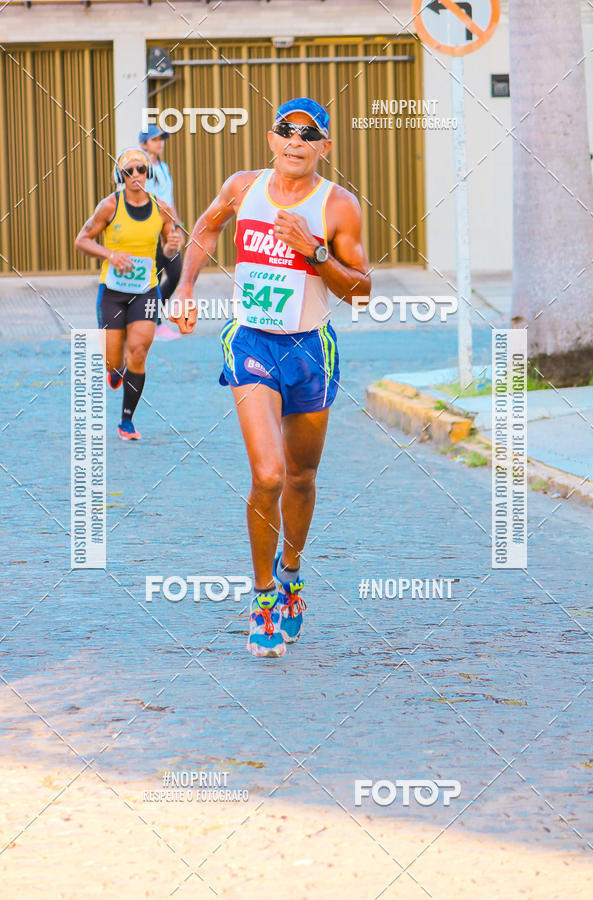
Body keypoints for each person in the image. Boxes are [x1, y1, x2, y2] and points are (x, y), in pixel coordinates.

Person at [171, 98, 371, 658]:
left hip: (311, 349)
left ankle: (291, 577)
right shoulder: (242, 187)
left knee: (301, 479)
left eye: (309, 135)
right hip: (251, 343)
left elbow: (361, 290)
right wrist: (184, 288)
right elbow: (206, 230)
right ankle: (262, 601)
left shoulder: (339, 206)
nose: (296, 141)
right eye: (287, 131)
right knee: (269, 474)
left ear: (324, 148)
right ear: (270, 138)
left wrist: (314, 253)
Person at [75, 147, 179, 440]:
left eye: (141, 169)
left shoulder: (162, 209)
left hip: (146, 291)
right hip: (112, 291)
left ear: (149, 173)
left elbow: (170, 248)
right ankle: (115, 369)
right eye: (129, 171)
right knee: (112, 360)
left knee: (138, 352)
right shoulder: (109, 206)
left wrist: (172, 245)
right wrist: (110, 254)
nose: (136, 175)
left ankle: (127, 420)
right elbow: (82, 239)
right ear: (120, 176)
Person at [139, 124, 185, 340]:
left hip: (167, 228)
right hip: (150, 228)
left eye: (161, 139)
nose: (160, 143)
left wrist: (177, 226)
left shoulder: (164, 167)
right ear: (144, 144)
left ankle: (152, 318)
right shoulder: (141, 169)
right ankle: (154, 324)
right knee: (153, 277)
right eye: (155, 139)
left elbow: (170, 199)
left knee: (175, 272)